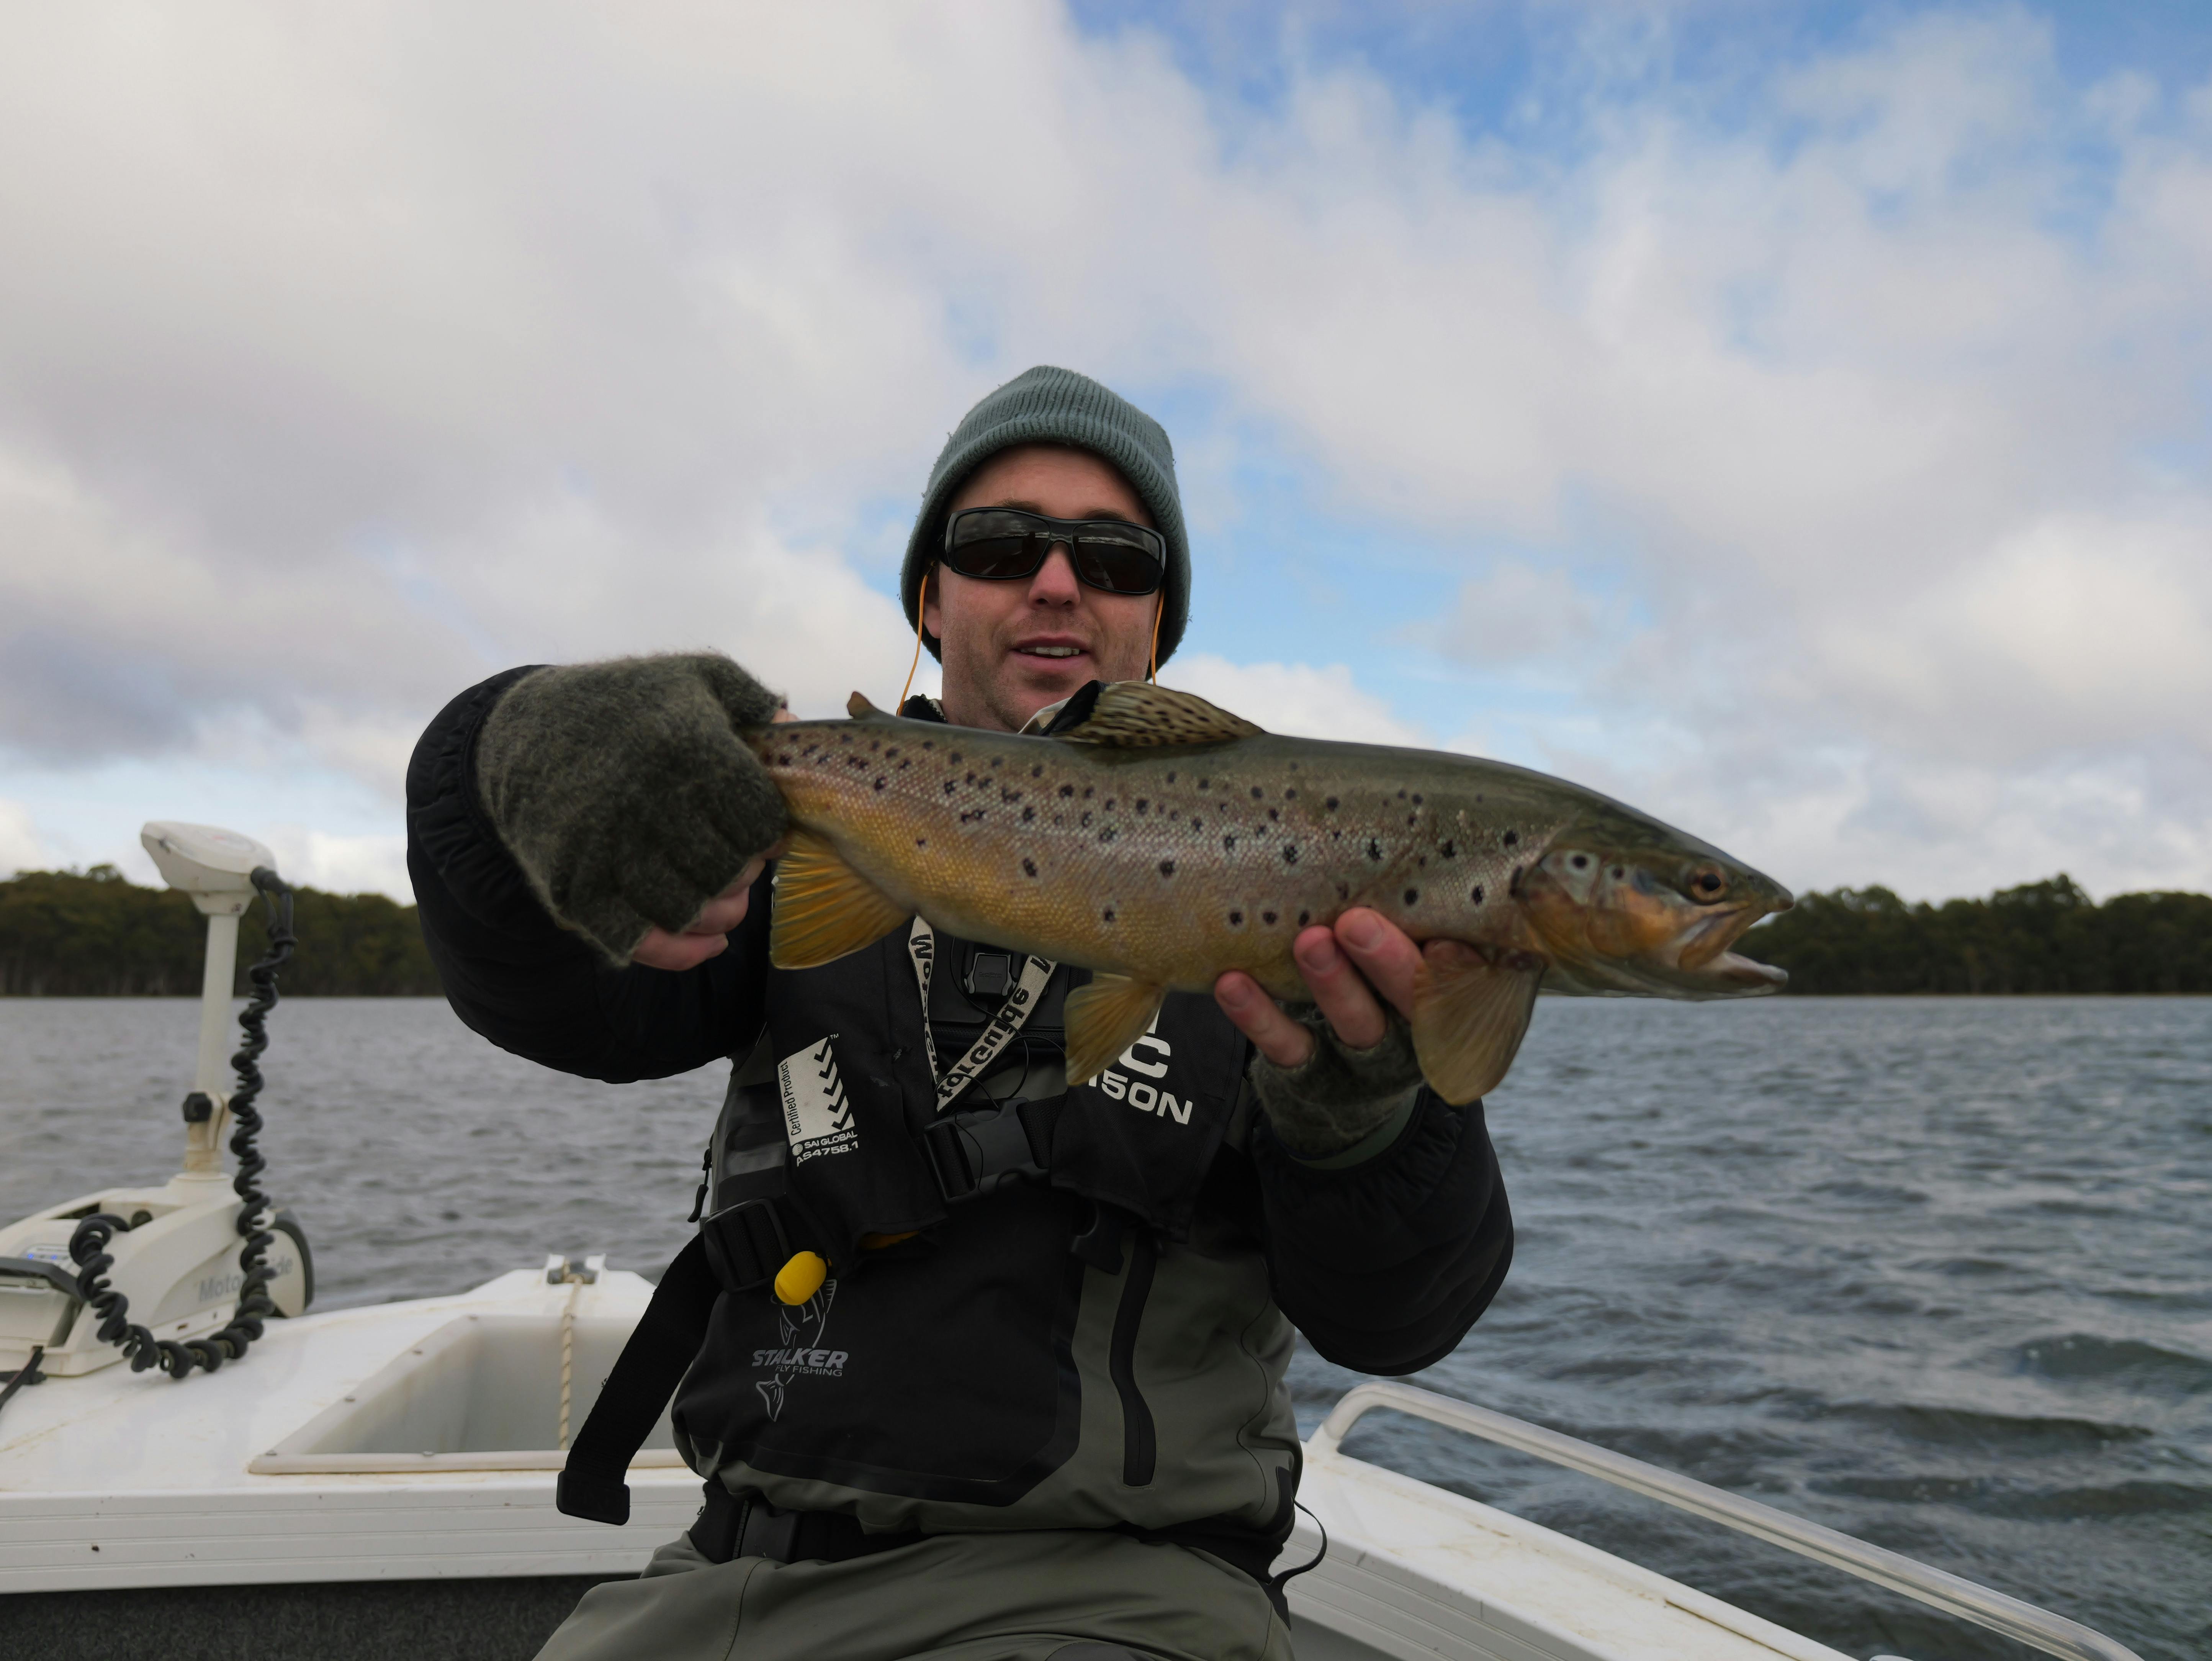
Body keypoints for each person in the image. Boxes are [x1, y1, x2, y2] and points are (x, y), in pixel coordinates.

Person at [405, 366, 1513, 1661]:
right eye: (1000, 545)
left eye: (1114, 557)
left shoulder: (1295, 912)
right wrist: (500, 754)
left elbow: (1402, 1319)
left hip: (1123, 1597)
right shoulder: (775, 854)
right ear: (931, 601)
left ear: (1159, 621)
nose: (1057, 581)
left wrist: (1369, 1126)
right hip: (723, 1576)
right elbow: (543, 999)